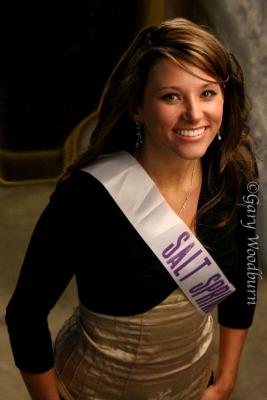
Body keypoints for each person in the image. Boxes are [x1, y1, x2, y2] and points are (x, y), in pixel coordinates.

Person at [5, 17, 259, 400]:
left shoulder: (236, 170)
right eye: (171, 96)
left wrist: (224, 380)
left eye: (207, 93)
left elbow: (247, 275)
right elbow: (24, 316)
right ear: (137, 108)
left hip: (193, 387)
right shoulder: (86, 196)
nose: (194, 114)